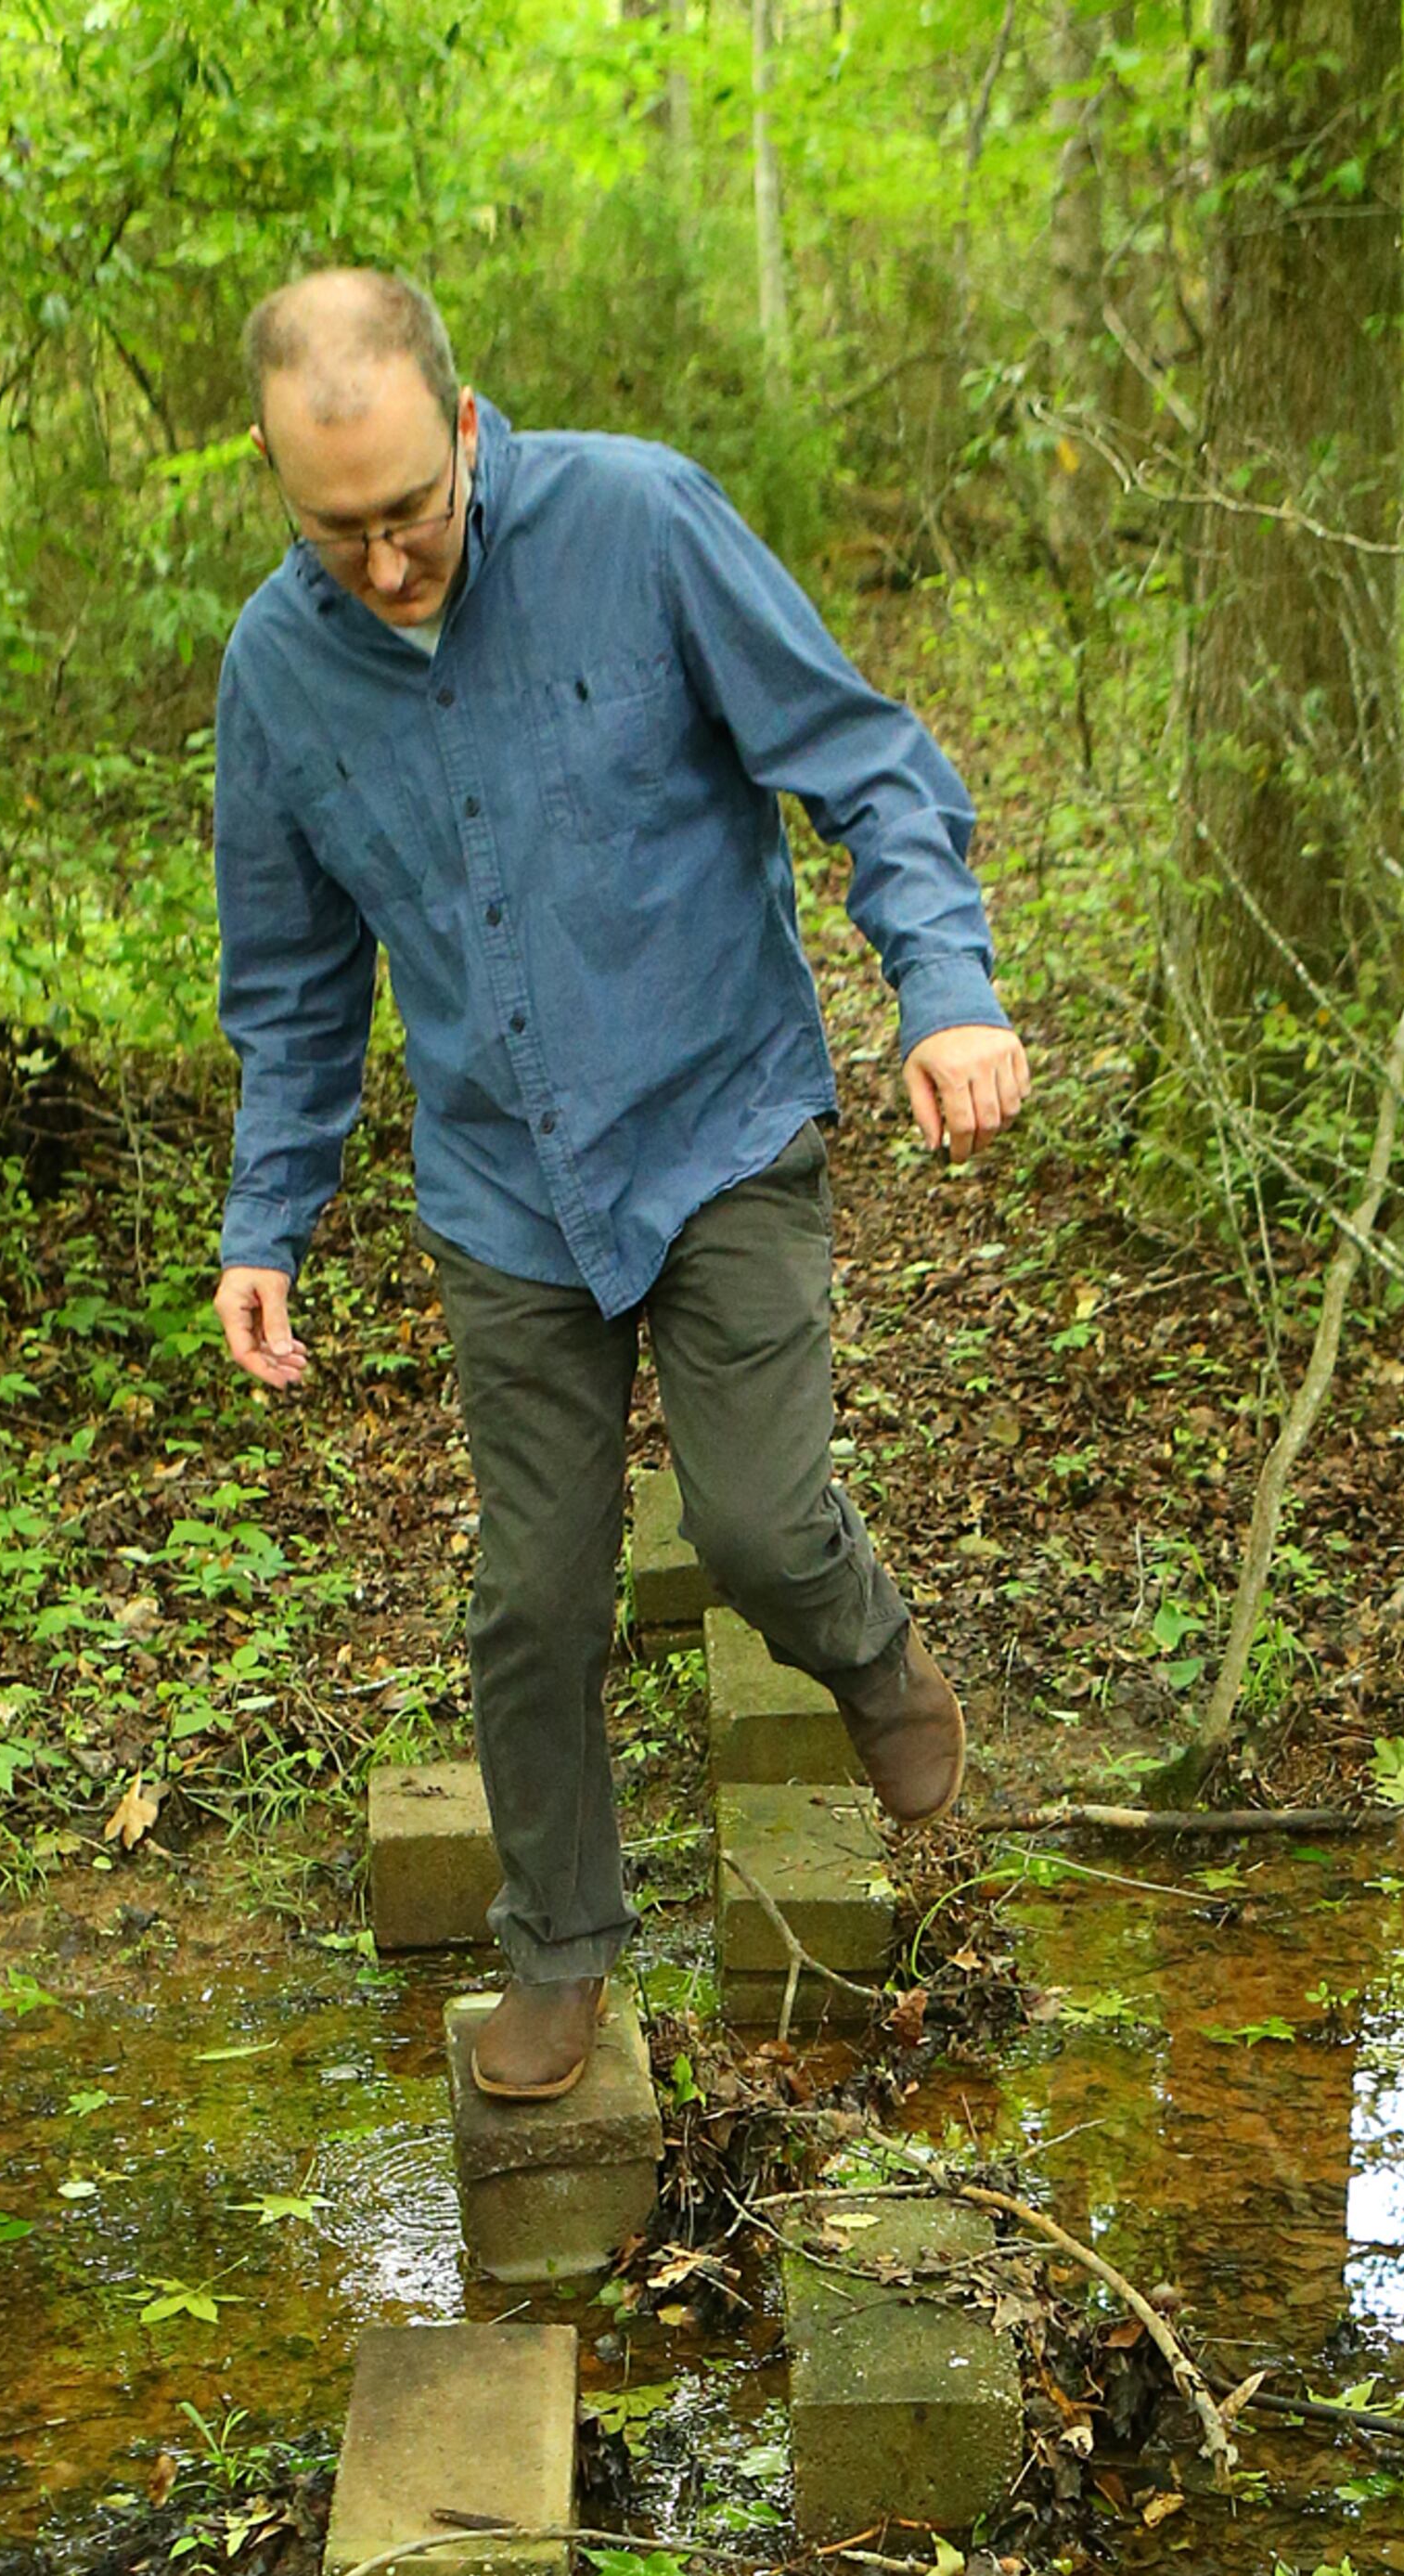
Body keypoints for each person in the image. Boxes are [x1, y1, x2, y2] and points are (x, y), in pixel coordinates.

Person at [210, 264, 1030, 2099]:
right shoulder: (278, 674)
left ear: (470, 430)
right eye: (334, 528)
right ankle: (563, 1948)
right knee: (533, 1597)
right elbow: (291, 987)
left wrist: (947, 993)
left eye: (412, 512)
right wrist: (267, 1219)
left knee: (751, 1523)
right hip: (507, 1189)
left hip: (718, 1124)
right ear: (276, 485)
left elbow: (869, 769)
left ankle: (876, 1658)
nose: (387, 564)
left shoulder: (642, 525)